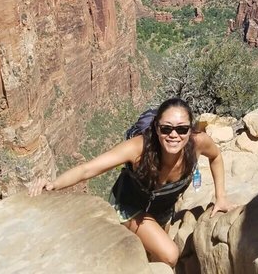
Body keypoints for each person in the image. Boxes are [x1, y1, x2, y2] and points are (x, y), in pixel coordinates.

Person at [28, 97, 236, 267]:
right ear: (156, 128)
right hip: (129, 206)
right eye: (166, 129)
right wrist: (53, 184)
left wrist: (221, 197)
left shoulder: (198, 143)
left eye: (181, 129)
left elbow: (216, 157)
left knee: (154, 259)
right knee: (170, 255)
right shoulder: (138, 148)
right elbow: (88, 168)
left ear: (190, 130)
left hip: (162, 209)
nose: (174, 135)